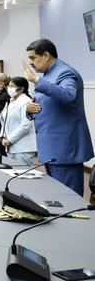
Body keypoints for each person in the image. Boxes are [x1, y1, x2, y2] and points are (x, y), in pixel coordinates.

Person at [23, 38, 94, 195]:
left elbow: (68, 95)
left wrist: (36, 80)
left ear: (46, 55)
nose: (31, 63)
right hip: (51, 147)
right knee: (58, 196)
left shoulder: (65, 72)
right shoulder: (48, 74)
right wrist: (29, 109)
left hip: (65, 149)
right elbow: (43, 103)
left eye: (33, 58)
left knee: (69, 198)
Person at [0, 76, 37, 165]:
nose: (9, 88)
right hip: (9, 145)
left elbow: (26, 125)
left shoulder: (26, 101)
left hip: (22, 146)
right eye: (8, 86)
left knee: (21, 174)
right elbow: (5, 121)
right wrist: (3, 137)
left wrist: (10, 139)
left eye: (12, 86)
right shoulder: (10, 101)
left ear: (21, 89)